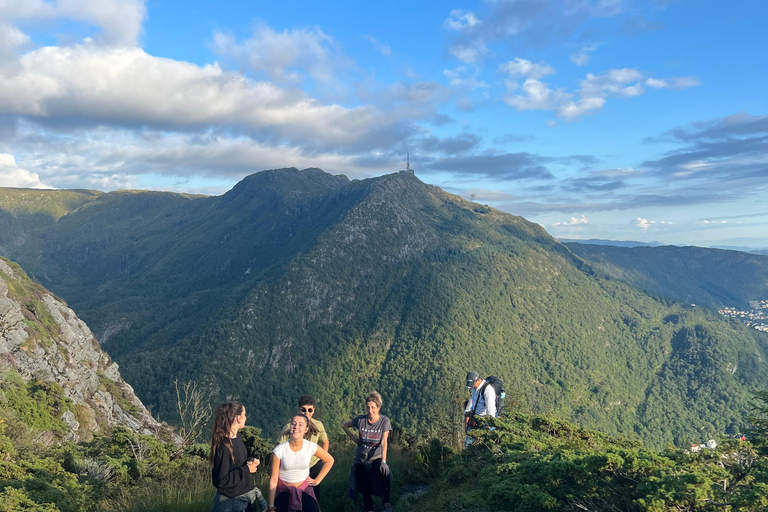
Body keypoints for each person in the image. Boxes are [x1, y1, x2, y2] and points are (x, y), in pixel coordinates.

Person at [267, 413, 334, 512]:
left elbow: (329, 460)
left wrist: (317, 480)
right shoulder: (279, 450)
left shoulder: (310, 446)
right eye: (293, 424)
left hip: (305, 489)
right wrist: (271, 506)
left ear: (306, 429)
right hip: (283, 491)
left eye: (300, 424)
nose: (296, 427)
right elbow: (273, 479)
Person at [210, 402, 268, 512]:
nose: (246, 418)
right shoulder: (224, 446)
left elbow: (235, 463)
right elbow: (221, 480)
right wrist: (246, 469)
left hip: (245, 496)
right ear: (238, 418)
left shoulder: (238, 437)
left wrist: (248, 462)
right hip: (232, 502)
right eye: (244, 415)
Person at [342, 391, 393, 512]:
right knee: (362, 478)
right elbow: (344, 425)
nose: (370, 410)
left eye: (373, 408)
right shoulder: (361, 420)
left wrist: (384, 461)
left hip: (376, 457)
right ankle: (369, 508)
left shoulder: (384, 421)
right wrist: (355, 439)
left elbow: (384, 442)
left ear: (378, 407)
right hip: (360, 458)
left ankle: (386, 503)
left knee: (384, 473)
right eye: (368, 407)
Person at [276, 396, 329, 498]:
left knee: (314, 491)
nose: (307, 413)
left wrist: (322, 458)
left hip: (314, 465)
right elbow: (277, 449)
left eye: (310, 410)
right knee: (295, 493)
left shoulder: (318, 425)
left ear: (313, 410)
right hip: (296, 467)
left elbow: (325, 442)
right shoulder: (290, 428)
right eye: (303, 410)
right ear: (299, 410)